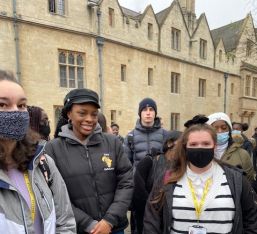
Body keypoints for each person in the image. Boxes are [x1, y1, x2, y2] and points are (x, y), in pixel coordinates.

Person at [45, 88, 133, 234]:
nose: (89, 119)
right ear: (69, 114)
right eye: (82, 113)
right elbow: (54, 194)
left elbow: (126, 182)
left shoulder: (113, 142)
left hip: (114, 227)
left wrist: (109, 220)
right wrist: (87, 223)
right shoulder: (53, 149)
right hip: (78, 229)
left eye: (94, 114)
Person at [144, 123, 257, 233]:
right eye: (193, 144)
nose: (200, 148)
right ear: (185, 147)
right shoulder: (168, 178)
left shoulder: (236, 179)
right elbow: (152, 220)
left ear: (215, 146)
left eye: (206, 144)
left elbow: (251, 220)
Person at [0, 70, 76, 233]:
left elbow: (65, 222)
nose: (15, 111)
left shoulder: (42, 162)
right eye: (2, 105)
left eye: (21, 105)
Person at [123, 97, 169, 234]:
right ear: (140, 113)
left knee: (160, 223)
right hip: (139, 188)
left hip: (160, 188)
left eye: (151, 110)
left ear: (155, 113)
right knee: (139, 225)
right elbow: (126, 165)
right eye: (144, 110)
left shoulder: (165, 135)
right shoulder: (130, 136)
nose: (148, 113)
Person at [133, 130, 182, 234]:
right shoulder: (148, 162)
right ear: (170, 143)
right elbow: (138, 196)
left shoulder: (182, 167)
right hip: (146, 221)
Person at [207, 112, 255, 182]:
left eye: (224, 128)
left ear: (229, 130)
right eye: (215, 128)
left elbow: (249, 180)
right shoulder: (201, 152)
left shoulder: (242, 155)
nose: (220, 131)